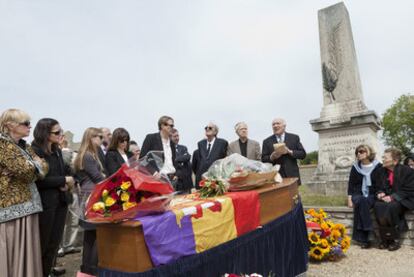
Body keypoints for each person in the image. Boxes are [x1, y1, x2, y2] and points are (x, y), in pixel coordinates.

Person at [0, 109, 47, 277]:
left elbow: (44, 169)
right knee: (12, 248)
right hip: (11, 207)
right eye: (25, 123)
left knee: (28, 247)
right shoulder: (3, 145)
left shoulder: (25, 146)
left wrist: (33, 166)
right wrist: (35, 165)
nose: (29, 127)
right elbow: (25, 170)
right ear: (9, 126)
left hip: (30, 204)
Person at [32, 118, 75, 277]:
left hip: (61, 202)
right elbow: (38, 180)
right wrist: (63, 180)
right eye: (57, 132)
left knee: (53, 244)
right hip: (45, 204)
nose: (60, 135)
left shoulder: (56, 150)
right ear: (45, 133)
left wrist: (69, 180)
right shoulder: (35, 150)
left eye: (61, 131)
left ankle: (48, 271)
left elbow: (66, 170)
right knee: (42, 245)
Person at [74, 127, 106, 276]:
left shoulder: (88, 154)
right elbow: (97, 178)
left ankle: (86, 270)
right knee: (97, 234)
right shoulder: (88, 155)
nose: (101, 139)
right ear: (91, 138)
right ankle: (92, 270)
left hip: (89, 195)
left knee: (90, 235)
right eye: (99, 136)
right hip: (92, 197)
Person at [374, 148, 414, 251]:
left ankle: (395, 239)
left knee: (392, 206)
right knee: (378, 206)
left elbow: (409, 189)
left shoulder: (407, 171)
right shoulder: (381, 171)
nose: (382, 159)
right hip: (388, 199)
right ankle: (385, 238)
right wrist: (380, 193)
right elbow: (378, 187)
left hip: (405, 199)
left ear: (395, 161)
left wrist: (392, 197)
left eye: (385, 158)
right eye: (383, 157)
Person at [347, 144, 382, 248]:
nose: (359, 153)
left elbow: (380, 183)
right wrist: (349, 199)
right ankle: (370, 232)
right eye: (357, 152)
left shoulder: (378, 166)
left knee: (363, 203)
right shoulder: (355, 167)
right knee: (362, 200)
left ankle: (364, 239)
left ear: (369, 152)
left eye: (362, 151)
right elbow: (351, 184)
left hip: (372, 194)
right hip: (357, 194)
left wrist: (380, 194)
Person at [261, 118, 306, 184]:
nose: (275, 126)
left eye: (278, 123)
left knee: (295, 194)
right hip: (276, 177)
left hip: (292, 176)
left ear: (284, 126)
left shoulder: (294, 138)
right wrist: (272, 157)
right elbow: (263, 159)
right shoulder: (266, 141)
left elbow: (303, 154)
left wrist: (289, 152)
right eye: (273, 124)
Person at [193, 122, 228, 188]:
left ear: (215, 132)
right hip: (201, 179)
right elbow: (199, 163)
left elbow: (224, 160)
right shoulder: (200, 143)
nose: (207, 129)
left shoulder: (222, 143)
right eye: (206, 128)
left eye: (210, 128)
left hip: (216, 179)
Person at [171, 128, 193, 193]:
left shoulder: (183, 147)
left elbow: (188, 157)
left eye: (177, 136)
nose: (177, 138)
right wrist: (182, 158)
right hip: (176, 184)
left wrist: (176, 159)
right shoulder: (168, 150)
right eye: (175, 136)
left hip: (187, 183)